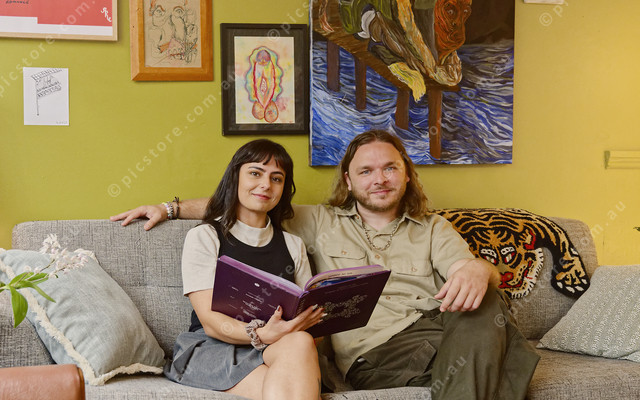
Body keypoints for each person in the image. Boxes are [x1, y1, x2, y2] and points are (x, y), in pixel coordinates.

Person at [112, 130, 540, 399]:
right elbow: (245, 202)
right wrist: (169, 208)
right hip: (377, 352)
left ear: (407, 174)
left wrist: (480, 268)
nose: (380, 179)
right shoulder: (317, 221)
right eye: (366, 171)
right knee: (507, 347)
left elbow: (471, 273)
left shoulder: (434, 228)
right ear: (349, 181)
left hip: (439, 334)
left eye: (390, 168)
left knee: (487, 304)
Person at [159, 139, 325, 400]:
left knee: (301, 342)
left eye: (277, 178)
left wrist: (310, 322)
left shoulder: (293, 245)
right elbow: (211, 323)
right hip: (214, 347)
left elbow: (308, 318)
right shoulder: (205, 236)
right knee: (288, 386)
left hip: (277, 345)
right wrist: (262, 333)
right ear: (235, 177)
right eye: (255, 173)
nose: (266, 185)